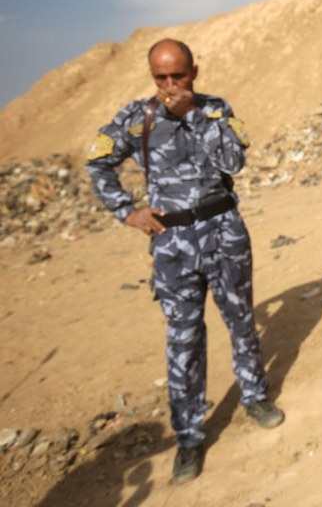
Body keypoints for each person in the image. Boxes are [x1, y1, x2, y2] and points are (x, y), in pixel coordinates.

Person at [85, 39, 284, 484]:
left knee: (240, 320)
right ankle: (190, 437)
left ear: (195, 70)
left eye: (180, 76)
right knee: (183, 339)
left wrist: (193, 113)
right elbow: (97, 163)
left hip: (223, 231)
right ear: (151, 75)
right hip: (172, 243)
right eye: (162, 78)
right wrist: (127, 211)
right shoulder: (136, 119)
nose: (171, 85)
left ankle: (255, 397)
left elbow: (236, 160)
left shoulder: (215, 110)